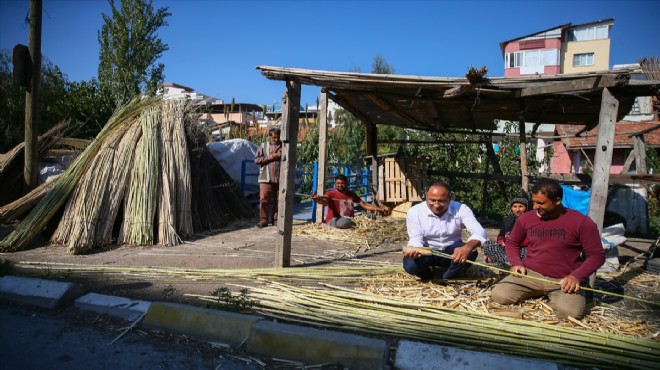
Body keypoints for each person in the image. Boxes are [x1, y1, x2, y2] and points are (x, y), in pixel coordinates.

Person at [490, 179, 605, 320]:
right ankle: (538, 292)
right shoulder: (526, 219)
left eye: (541, 203)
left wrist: (577, 276)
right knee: (499, 295)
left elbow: (597, 256)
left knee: (569, 314)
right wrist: (516, 263)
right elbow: (512, 242)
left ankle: (555, 296)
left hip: (563, 280)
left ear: (557, 201)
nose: (535, 206)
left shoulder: (582, 222)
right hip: (531, 274)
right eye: (534, 202)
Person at [403, 182, 487, 280]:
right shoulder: (414, 211)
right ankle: (427, 276)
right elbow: (416, 239)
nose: (436, 205)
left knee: (471, 253)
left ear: (450, 199)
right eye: (432, 200)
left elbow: (479, 232)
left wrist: (467, 248)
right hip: (427, 251)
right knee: (410, 264)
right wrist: (414, 250)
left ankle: (446, 278)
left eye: (442, 201)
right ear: (426, 197)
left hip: (452, 251)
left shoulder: (461, 209)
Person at [311, 174, 390, 229]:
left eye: (342, 183)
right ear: (335, 183)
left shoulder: (351, 194)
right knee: (345, 222)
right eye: (338, 183)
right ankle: (357, 224)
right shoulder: (331, 194)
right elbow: (323, 200)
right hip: (335, 220)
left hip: (350, 219)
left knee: (371, 217)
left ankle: (357, 223)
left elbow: (365, 205)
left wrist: (382, 209)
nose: (340, 185)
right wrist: (318, 199)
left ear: (346, 183)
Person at [483, 195, 529, 266]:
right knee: (487, 244)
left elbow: (531, 240)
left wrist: (511, 243)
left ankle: (499, 259)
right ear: (511, 208)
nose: (517, 210)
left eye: (520, 206)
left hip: (521, 249)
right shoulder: (508, 220)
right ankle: (503, 259)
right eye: (514, 206)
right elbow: (501, 235)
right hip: (506, 248)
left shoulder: (530, 220)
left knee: (525, 253)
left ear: (526, 208)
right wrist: (501, 241)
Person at [254, 127, 282, 228]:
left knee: (279, 200)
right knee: (264, 199)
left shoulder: (284, 147)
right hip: (266, 178)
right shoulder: (263, 146)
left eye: (278, 137)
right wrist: (272, 157)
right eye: (274, 137)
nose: (276, 139)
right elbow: (257, 160)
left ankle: (276, 219)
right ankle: (263, 220)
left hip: (280, 178)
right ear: (270, 137)